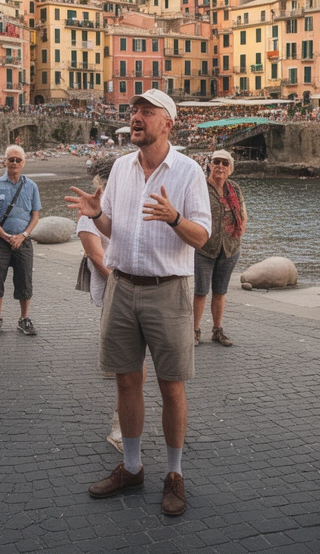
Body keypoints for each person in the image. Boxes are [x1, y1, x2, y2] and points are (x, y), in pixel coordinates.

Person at [66, 89, 211, 516]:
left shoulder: (187, 172)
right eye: (134, 111)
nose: (136, 117)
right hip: (122, 286)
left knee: (171, 385)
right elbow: (113, 225)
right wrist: (95, 213)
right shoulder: (121, 169)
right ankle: (131, 467)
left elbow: (201, 236)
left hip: (169, 288)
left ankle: (174, 473)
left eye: (147, 112)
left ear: (168, 124)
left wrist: (175, 219)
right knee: (126, 380)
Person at [75, 156, 127, 451]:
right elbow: (95, 255)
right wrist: (120, 281)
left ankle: (114, 360)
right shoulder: (91, 210)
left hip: (124, 281)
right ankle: (119, 429)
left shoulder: (124, 203)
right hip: (111, 279)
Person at [0, 144, 42, 336]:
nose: (14, 163)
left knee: (25, 280)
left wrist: (23, 235)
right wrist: (6, 236)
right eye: (11, 159)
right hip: (1, 241)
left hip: (23, 241)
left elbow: (35, 215)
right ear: (5, 162)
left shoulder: (31, 186)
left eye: (18, 160)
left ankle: (24, 319)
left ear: (23, 163)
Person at [193, 149, 247, 347]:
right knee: (200, 291)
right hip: (205, 248)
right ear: (210, 165)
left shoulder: (234, 188)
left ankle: (217, 330)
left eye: (225, 164)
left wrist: (238, 234)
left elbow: (242, 213)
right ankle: (195, 331)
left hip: (229, 248)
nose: (220, 167)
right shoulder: (200, 188)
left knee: (220, 291)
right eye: (217, 162)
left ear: (230, 169)